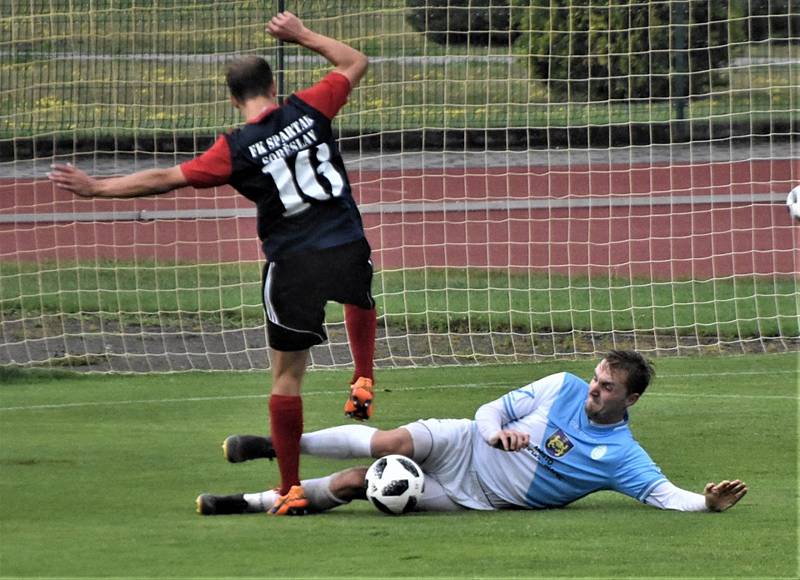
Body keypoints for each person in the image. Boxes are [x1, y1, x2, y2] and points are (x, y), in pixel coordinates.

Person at [48, 12, 379, 515]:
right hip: (344, 245)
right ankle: (362, 377)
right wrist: (301, 34)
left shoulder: (233, 149)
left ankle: (289, 489)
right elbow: (356, 61)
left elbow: (165, 177)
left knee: (287, 377)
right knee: (359, 294)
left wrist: (97, 188)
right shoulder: (309, 108)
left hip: (292, 264)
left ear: (232, 99)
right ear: (273, 84)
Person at [196, 350, 747, 515]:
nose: (593, 389)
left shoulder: (621, 456)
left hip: (473, 494)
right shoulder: (560, 385)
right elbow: (491, 409)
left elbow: (663, 493)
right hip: (462, 440)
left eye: (606, 388)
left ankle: (245, 503)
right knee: (390, 442)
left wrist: (706, 503)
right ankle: (279, 445)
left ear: (631, 399)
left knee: (356, 482)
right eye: (596, 379)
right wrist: (493, 434)